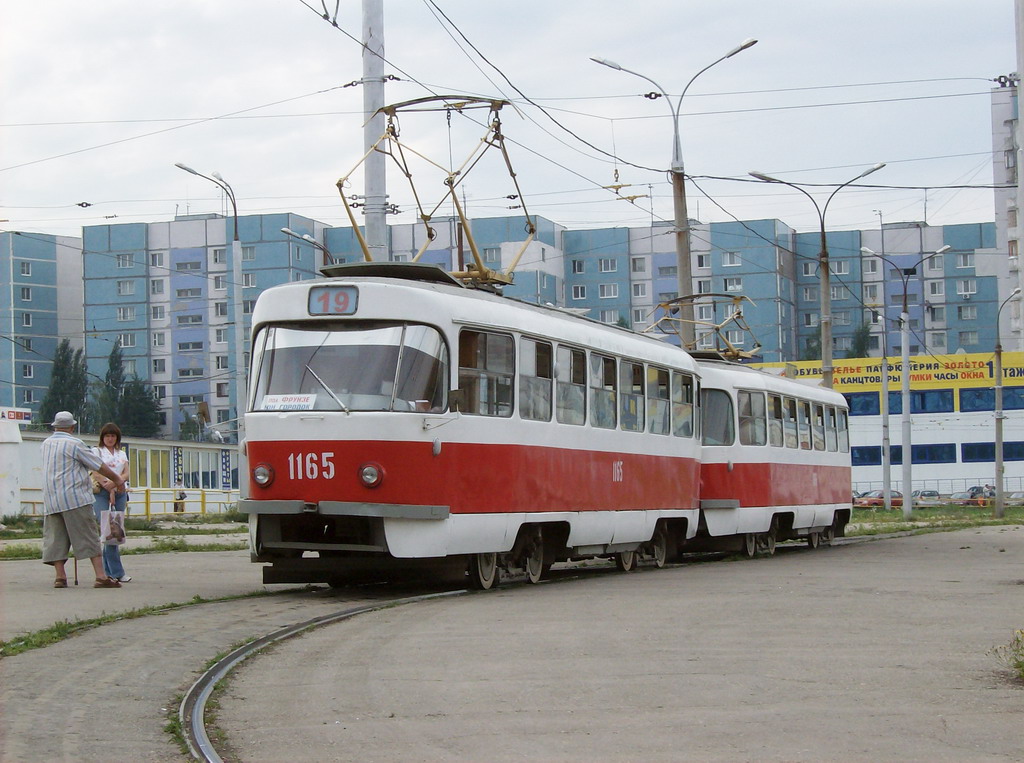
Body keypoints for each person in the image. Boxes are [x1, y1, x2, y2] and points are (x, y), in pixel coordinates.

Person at [40, 411, 125, 588]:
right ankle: (101, 577)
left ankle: (60, 577)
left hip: (51, 498)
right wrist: (117, 479)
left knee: (57, 538)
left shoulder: (46, 444)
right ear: (72, 427)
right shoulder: (75, 443)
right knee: (89, 536)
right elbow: (98, 465)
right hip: (74, 497)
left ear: (55, 427)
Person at [92, 422, 131, 583]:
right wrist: (108, 487)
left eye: (113, 436)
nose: (110, 439)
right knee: (106, 530)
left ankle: (113, 571)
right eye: (107, 436)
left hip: (120, 491)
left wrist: (115, 484)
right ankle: (112, 571)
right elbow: (95, 471)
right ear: (102, 437)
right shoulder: (96, 451)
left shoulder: (121, 454)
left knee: (116, 531)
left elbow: (126, 473)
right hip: (101, 492)